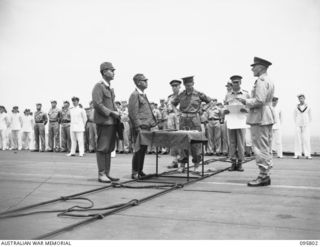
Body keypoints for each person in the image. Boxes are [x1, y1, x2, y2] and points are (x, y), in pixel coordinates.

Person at [237, 57, 275, 186]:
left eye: (254, 66)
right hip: (266, 116)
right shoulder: (267, 79)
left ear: (261, 67)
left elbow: (259, 100)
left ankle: (263, 175)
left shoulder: (261, 80)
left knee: (259, 147)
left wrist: (245, 101)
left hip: (260, 117)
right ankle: (265, 173)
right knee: (266, 146)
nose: (252, 69)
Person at [171, 76, 213, 172]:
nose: (188, 86)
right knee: (182, 142)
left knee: (196, 143)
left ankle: (197, 164)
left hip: (194, 119)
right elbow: (173, 103)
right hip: (183, 119)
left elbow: (210, 102)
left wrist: (203, 109)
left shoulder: (198, 94)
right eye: (186, 85)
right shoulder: (181, 94)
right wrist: (177, 112)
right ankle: (182, 164)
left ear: (193, 84)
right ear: (184, 85)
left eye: (190, 85)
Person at [92, 62, 120, 183]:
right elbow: (97, 104)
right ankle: (101, 173)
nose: (114, 72)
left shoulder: (108, 87)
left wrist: (117, 113)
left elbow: (111, 104)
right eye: (111, 70)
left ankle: (107, 173)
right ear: (104, 72)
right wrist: (112, 113)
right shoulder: (99, 86)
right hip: (104, 122)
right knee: (102, 148)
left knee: (109, 148)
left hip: (112, 122)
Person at [128, 73, 157, 179]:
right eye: (144, 81)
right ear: (139, 82)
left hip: (146, 127)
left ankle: (140, 170)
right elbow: (133, 113)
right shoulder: (135, 95)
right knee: (138, 149)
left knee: (143, 150)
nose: (146, 82)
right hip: (140, 128)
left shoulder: (142, 94)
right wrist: (137, 127)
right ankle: (135, 172)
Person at [224, 75, 250, 171]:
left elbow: (250, 106)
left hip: (241, 120)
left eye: (237, 82)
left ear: (240, 83)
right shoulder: (228, 95)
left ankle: (240, 162)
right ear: (232, 83)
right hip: (231, 120)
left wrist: (245, 109)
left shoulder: (246, 94)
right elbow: (225, 106)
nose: (235, 84)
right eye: (234, 82)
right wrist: (225, 110)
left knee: (240, 142)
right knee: (232, 142)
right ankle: (233, 161)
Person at [166, 79, 182, 168]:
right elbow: (167, 108)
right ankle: (174, 160)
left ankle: (181, 159)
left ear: (180, 86)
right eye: (173, 86)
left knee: (180, 137)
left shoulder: (182, 96)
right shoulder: (170, 97)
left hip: (179, 116)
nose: (174, 87)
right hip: (170, 116)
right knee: (172, 138)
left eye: (176, 86)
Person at [294, 94, 312, 159]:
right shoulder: (296, 107)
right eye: (299, 98)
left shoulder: (308, 106)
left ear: (304, 98)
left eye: (302, 98)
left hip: (306, 125)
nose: (301, 99)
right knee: (297, 139)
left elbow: (310, 116)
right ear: (298, 99)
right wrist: (296, 123)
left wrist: (307, 123)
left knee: (306, 139)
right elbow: (294, 116)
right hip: (298, 124)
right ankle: (297, 154)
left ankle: (308, 154)